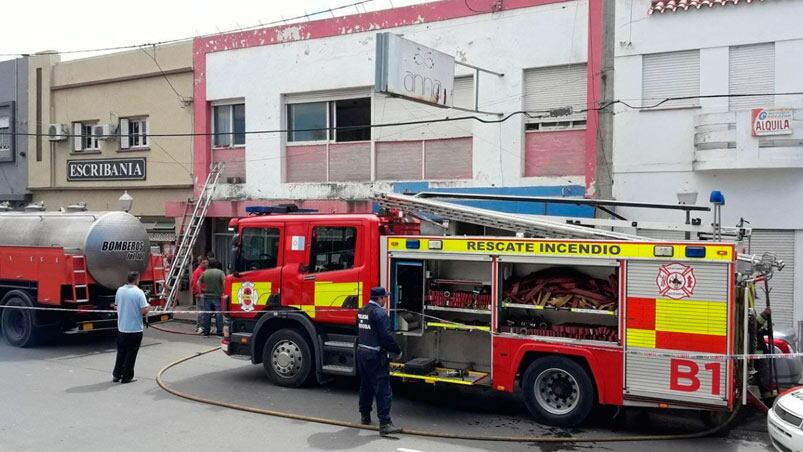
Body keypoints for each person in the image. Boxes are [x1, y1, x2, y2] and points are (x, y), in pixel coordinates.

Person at [356, 287, 402, 436]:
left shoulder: (362, 310)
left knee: (366, 385)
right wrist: (397, 350)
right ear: (380, 298)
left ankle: (365, 416)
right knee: (383, 389)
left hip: (362, 352)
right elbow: (386, 337)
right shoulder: (380, 313)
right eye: (385, 298)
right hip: (375, 355)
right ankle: (385, 424)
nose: (386, 300)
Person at [112, 271, 151, 384]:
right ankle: (127, 376)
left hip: (122, 327)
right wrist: (149, 307)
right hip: (134, 328)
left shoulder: (120, 290)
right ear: (137, 279)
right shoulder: (139, 292)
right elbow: (143, 310)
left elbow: (117, 305)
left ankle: (117, 374)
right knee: (131, 353)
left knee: (121, 352)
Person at [200, 259, 226, 337]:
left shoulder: (205, 273)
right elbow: (224, 282)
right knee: (218, 315)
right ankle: (219, 332)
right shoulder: (220, 273)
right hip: (217, 296)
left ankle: (206, 333)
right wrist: (223, 292)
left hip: (207, 296)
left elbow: (198, 282)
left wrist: (201, 292)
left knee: (207, 315)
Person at [192, 257, 209, 333]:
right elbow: (194, 283)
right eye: (204, 263)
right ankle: (199, 327)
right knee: (201, 311)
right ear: (200, 263)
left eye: (206, 262)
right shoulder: (197, 271)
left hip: (204, 293)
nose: (206, 264)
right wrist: (197, 293)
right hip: (200, 294)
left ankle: (201, 326)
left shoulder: (205, 271)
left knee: (203, 311)